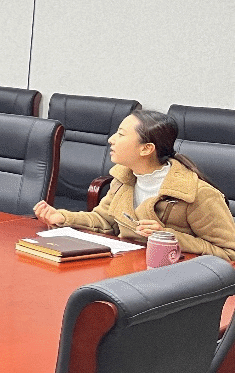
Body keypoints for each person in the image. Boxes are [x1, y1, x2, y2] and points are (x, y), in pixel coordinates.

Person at [33, 109, 235, 260]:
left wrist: (169, 237)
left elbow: (229, 252)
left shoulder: (197, 193)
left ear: (146, 149)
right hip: (129, 266)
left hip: (174, 281)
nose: (111, 140)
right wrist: (63, 217)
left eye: (121, 135)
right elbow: (105, 220)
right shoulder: (124, 178)